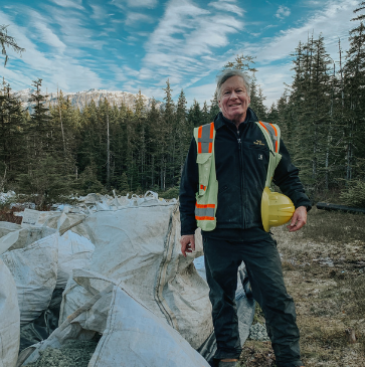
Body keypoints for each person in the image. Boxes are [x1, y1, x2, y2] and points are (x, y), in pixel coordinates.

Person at [179, 69, 311, 367]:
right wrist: (188, 229)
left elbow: (288, 175)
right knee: (221, 299)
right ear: (219, 100)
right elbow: (187, 187)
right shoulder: (203, 136)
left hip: (257, 235)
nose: (233, 96)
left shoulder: (268, 134)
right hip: (216, 234)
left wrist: (301, 203)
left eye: (238, 90)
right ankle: (227, 356)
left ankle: (289, 361)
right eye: (226, 92)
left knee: (277, 299)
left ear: (248, 96)